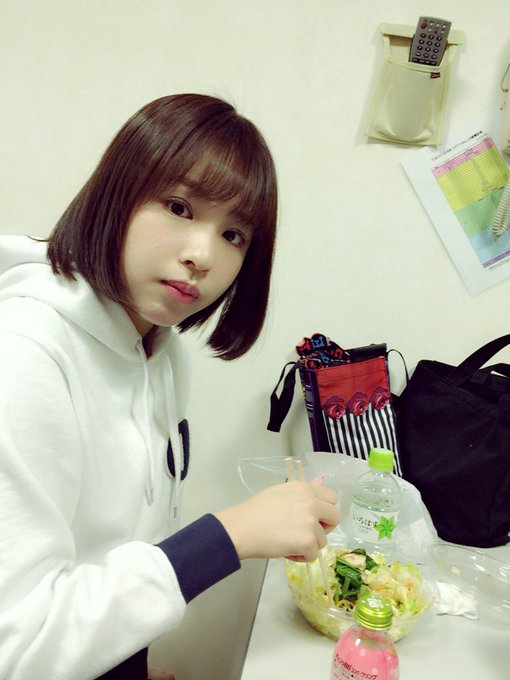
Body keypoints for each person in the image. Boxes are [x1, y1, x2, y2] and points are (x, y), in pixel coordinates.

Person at [0, 94, 340, 680]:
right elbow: (17, 646)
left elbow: (118, 546)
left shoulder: (161, 350)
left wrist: (130, 664)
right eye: (179, 207)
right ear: (117, 192)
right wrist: (228, 536)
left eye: (234, 235)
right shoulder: (26, 356)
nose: (202, 256)